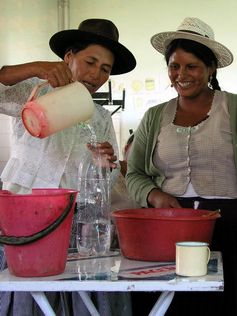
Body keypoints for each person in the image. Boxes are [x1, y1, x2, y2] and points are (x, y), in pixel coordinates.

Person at [0, 18, 136, 316]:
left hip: (72, 226)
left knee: (76, 298)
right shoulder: (35, 92)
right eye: (90, 61)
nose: (96, 73)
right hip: (23, 220)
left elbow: (107, 178)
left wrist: (105, 163)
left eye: (105, 69)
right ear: (68, 58)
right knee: (29, 297)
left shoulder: (99, 116)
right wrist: (36, 67)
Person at [126, 17, 237, 315]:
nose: (181, 74)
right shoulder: (155, 116)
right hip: (168, 226)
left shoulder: (232, 108)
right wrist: (154, 195)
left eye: (192, 66)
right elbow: (134, 173)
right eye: (175, 66)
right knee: (168, 303)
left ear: (210, 68)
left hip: (229, 225)